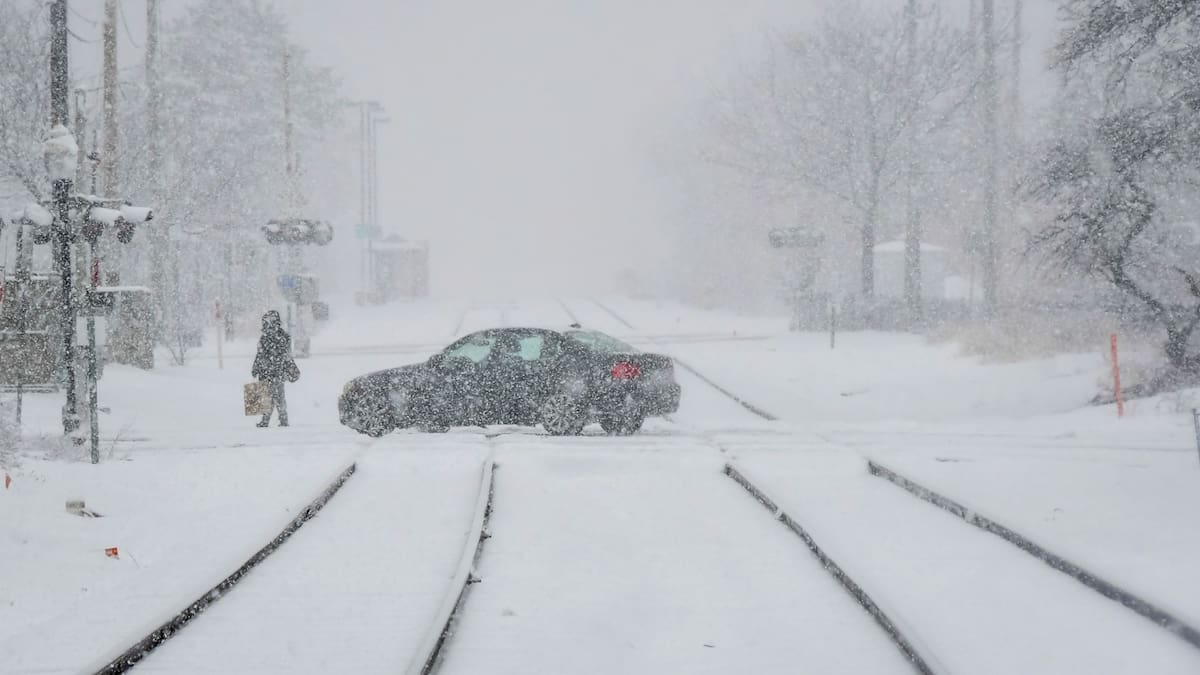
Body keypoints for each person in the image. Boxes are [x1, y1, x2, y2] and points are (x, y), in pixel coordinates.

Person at [251, 310, 297, 427]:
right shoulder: (269, 337)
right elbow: (260, 354)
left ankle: (279, 420)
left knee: (276, 396)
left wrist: (260, 366)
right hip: (269, 371)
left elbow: (284, 355)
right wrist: (256, 367)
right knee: (270, 396)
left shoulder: (281, 337)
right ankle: (274, 419)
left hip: (275, 372)